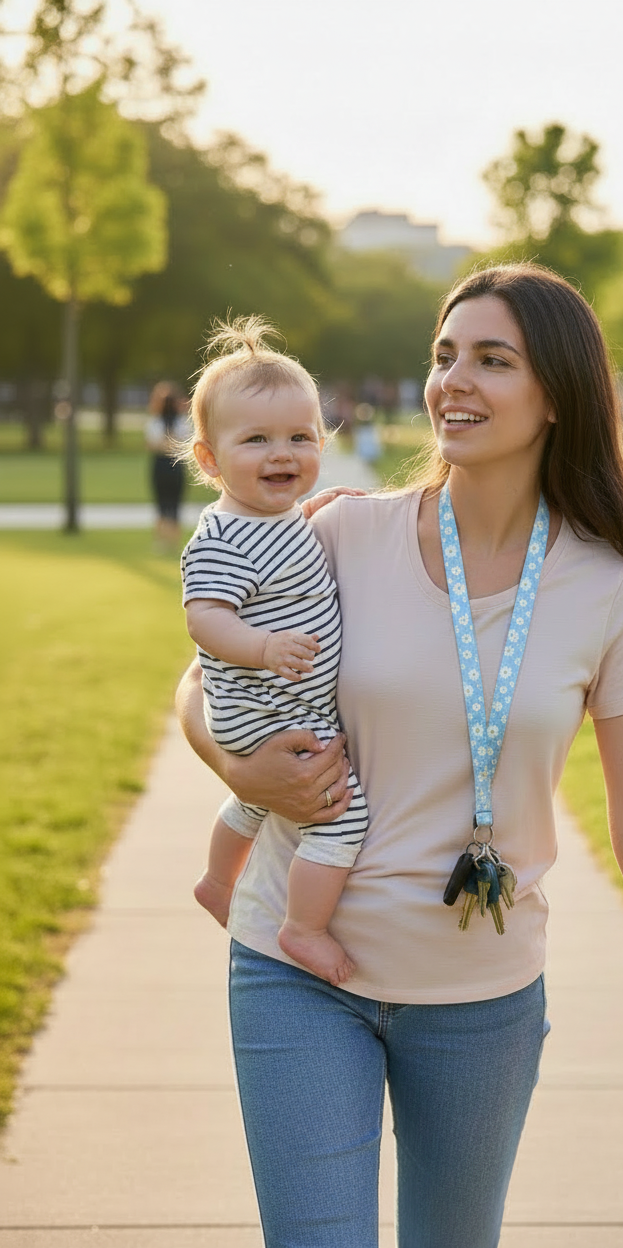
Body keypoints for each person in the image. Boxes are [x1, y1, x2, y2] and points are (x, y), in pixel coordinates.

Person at [177, 263, 623, 1248]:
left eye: (491, 360)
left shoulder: (609, 594)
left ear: (557, 394)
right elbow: (197, 684)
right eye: (443, 357)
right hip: (296, 972)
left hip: (481, 1000)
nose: (452, 382)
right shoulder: (341, 530)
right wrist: (235, 769)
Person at [180, 317, 369, 986]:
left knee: (256, 802)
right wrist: (261, 647)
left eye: (299, 437)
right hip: (268, 704)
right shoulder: (222, 538)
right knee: (342, 811)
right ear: (209, 460)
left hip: (273, 700)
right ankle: (304, 927)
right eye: (256, 439)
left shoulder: (275, 517)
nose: (280, 453)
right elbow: (204, 618)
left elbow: (286, 547)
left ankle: (215, 880)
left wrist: (318, 508)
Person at [145, 381, 191, 549]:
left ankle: (163, 541)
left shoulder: (155, 423)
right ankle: (172, 541)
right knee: (173, 504)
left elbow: (152, 445)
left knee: (163, 503)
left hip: (161, 464)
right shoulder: (181, 423)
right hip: (175, 464)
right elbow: (182, 444)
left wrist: (164, 444)